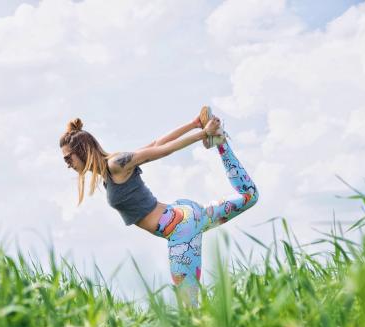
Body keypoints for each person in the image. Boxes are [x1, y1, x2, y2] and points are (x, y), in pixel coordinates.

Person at [59, 106, 259, 306]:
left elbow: (162, 151)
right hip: (186, 218)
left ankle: (214, 137)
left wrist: (202, 134)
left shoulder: (116, 164)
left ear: (82, 151)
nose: (67, 164)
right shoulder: (110, 169)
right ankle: (221, 142)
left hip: (180, 230)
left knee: (189, 306)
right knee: (249, 196)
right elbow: (157, 143)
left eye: (68, 158)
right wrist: (194, 125)